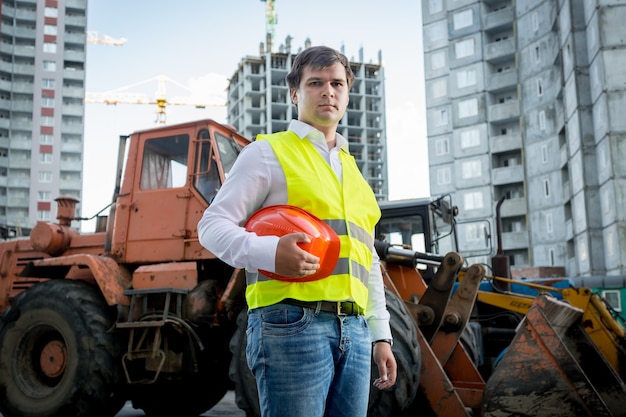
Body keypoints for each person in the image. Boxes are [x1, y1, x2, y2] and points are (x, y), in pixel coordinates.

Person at [198, 45, 397, 417]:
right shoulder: (267, 153)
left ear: (348, 93)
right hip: (290, 324)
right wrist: (271, 254)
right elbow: (211, 227)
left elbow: (365, 262)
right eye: (315, 83)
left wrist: (380, 334)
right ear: (294, 93)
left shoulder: (355, 174)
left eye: (337, 83)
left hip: (354, 331)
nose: (328, 91)